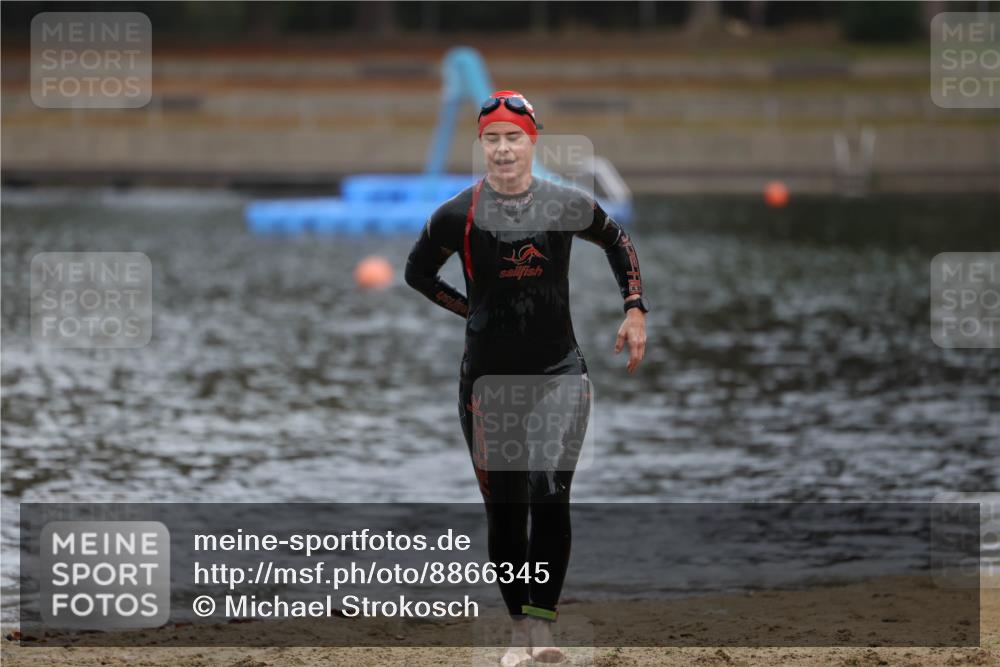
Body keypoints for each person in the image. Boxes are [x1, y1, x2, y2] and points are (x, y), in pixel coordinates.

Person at [405, 90, 648, 666]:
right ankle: (520, 635)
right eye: (492, 140)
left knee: (550, 492)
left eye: (513, 138)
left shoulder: (565, 204)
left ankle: (545, 628)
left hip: (559, 371)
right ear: (482, 146)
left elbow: (618, 241)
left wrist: (634, 308)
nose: (503, 150)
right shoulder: (455, 216)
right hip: (487, 383)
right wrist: (473, 312)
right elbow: (417, 274)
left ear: (531, 142)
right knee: (507, 509)